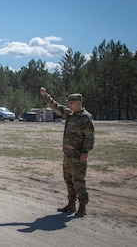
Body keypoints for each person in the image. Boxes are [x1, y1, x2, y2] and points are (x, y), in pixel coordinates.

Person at [40, 87, 95, 217]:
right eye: (69, 103)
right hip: (68, 155)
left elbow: (90, 138)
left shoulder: (85, 118)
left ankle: (82, 206)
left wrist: (85, 153)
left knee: (78, 181)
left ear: (79, 103)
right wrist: (45, 95)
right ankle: (71, 204)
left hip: (78, 155)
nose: (69, 105)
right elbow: (55, 106)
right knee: (68, 180)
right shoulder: (70, 115)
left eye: (71, 103)